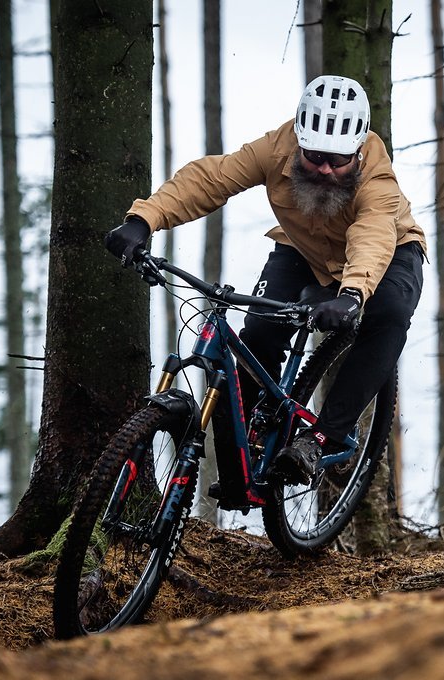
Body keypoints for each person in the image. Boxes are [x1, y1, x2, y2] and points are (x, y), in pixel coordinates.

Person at [105, 74, 425, 485]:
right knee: (258, 330)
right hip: (302, 250)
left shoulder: (377, 180)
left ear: (359, 151)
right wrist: (143, 220)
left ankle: (324, 438)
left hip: (387, 255)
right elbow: (211, 177)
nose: (325, 169)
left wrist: (352, 293)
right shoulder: (276, 148)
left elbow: (373, 234)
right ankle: (249, 445)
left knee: (389, 317)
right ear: (299, 141)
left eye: (338, 160)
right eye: (314, 156)